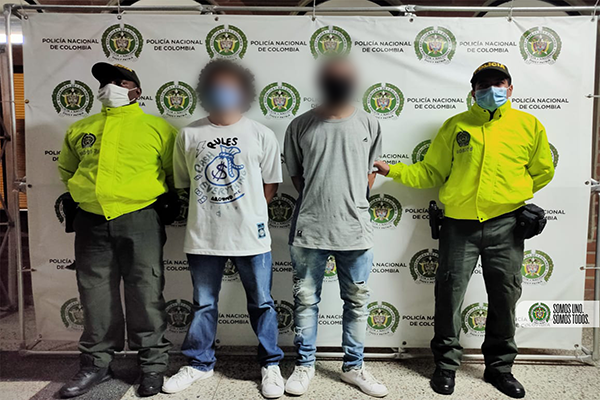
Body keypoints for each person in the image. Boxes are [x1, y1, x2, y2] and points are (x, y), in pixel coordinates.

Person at [373, 61, 555, 399]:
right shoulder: (455, 126)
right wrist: (392, 171)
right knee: (449, 296)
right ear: (473, 91)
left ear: (510, 89)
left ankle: (500, 368)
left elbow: (543, 170)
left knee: (505, 297)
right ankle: (445, 366)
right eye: (483, 85)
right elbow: (430, 172)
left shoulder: (528, 125)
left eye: (498, 83)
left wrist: (510, 195)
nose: (491, 90)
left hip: (507, 226)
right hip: (458, 226)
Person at [162, 59, 285, 399]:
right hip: (204, 237)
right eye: (217, 85)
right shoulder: (189, 134)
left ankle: (271, 364)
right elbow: (185, 183)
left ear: (244, 91)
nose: (224, 91)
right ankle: (199, 363)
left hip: (252, 238)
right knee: (204, 304)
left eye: (231, 85)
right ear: (205, 90)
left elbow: (271, 184)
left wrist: (249, 212)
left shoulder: (261, 134)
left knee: (262, 302)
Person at [57, 62, 177, 398]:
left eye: (119, 82)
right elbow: (67, 170)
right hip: (90, 220)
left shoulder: (158, 129)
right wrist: (89, 196)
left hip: (141, 218)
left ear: (136, 91)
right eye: (105, 82)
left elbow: (173, 174)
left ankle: (152, 365)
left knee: (146, 291)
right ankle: (96, 364)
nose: (110, 87)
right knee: (95, 294)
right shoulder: (81, 128)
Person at [282, 57, 388, 398]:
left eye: (344, 77)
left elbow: (370, 173)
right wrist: (321, 200)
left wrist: (352, 199)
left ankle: (354, 367)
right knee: (305, 302)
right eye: (332, 77)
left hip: (355, 231)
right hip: (309, 230)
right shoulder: (300, 125)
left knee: (356, 303)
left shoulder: (370, 123)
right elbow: (297, 177)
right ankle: (304, 365)